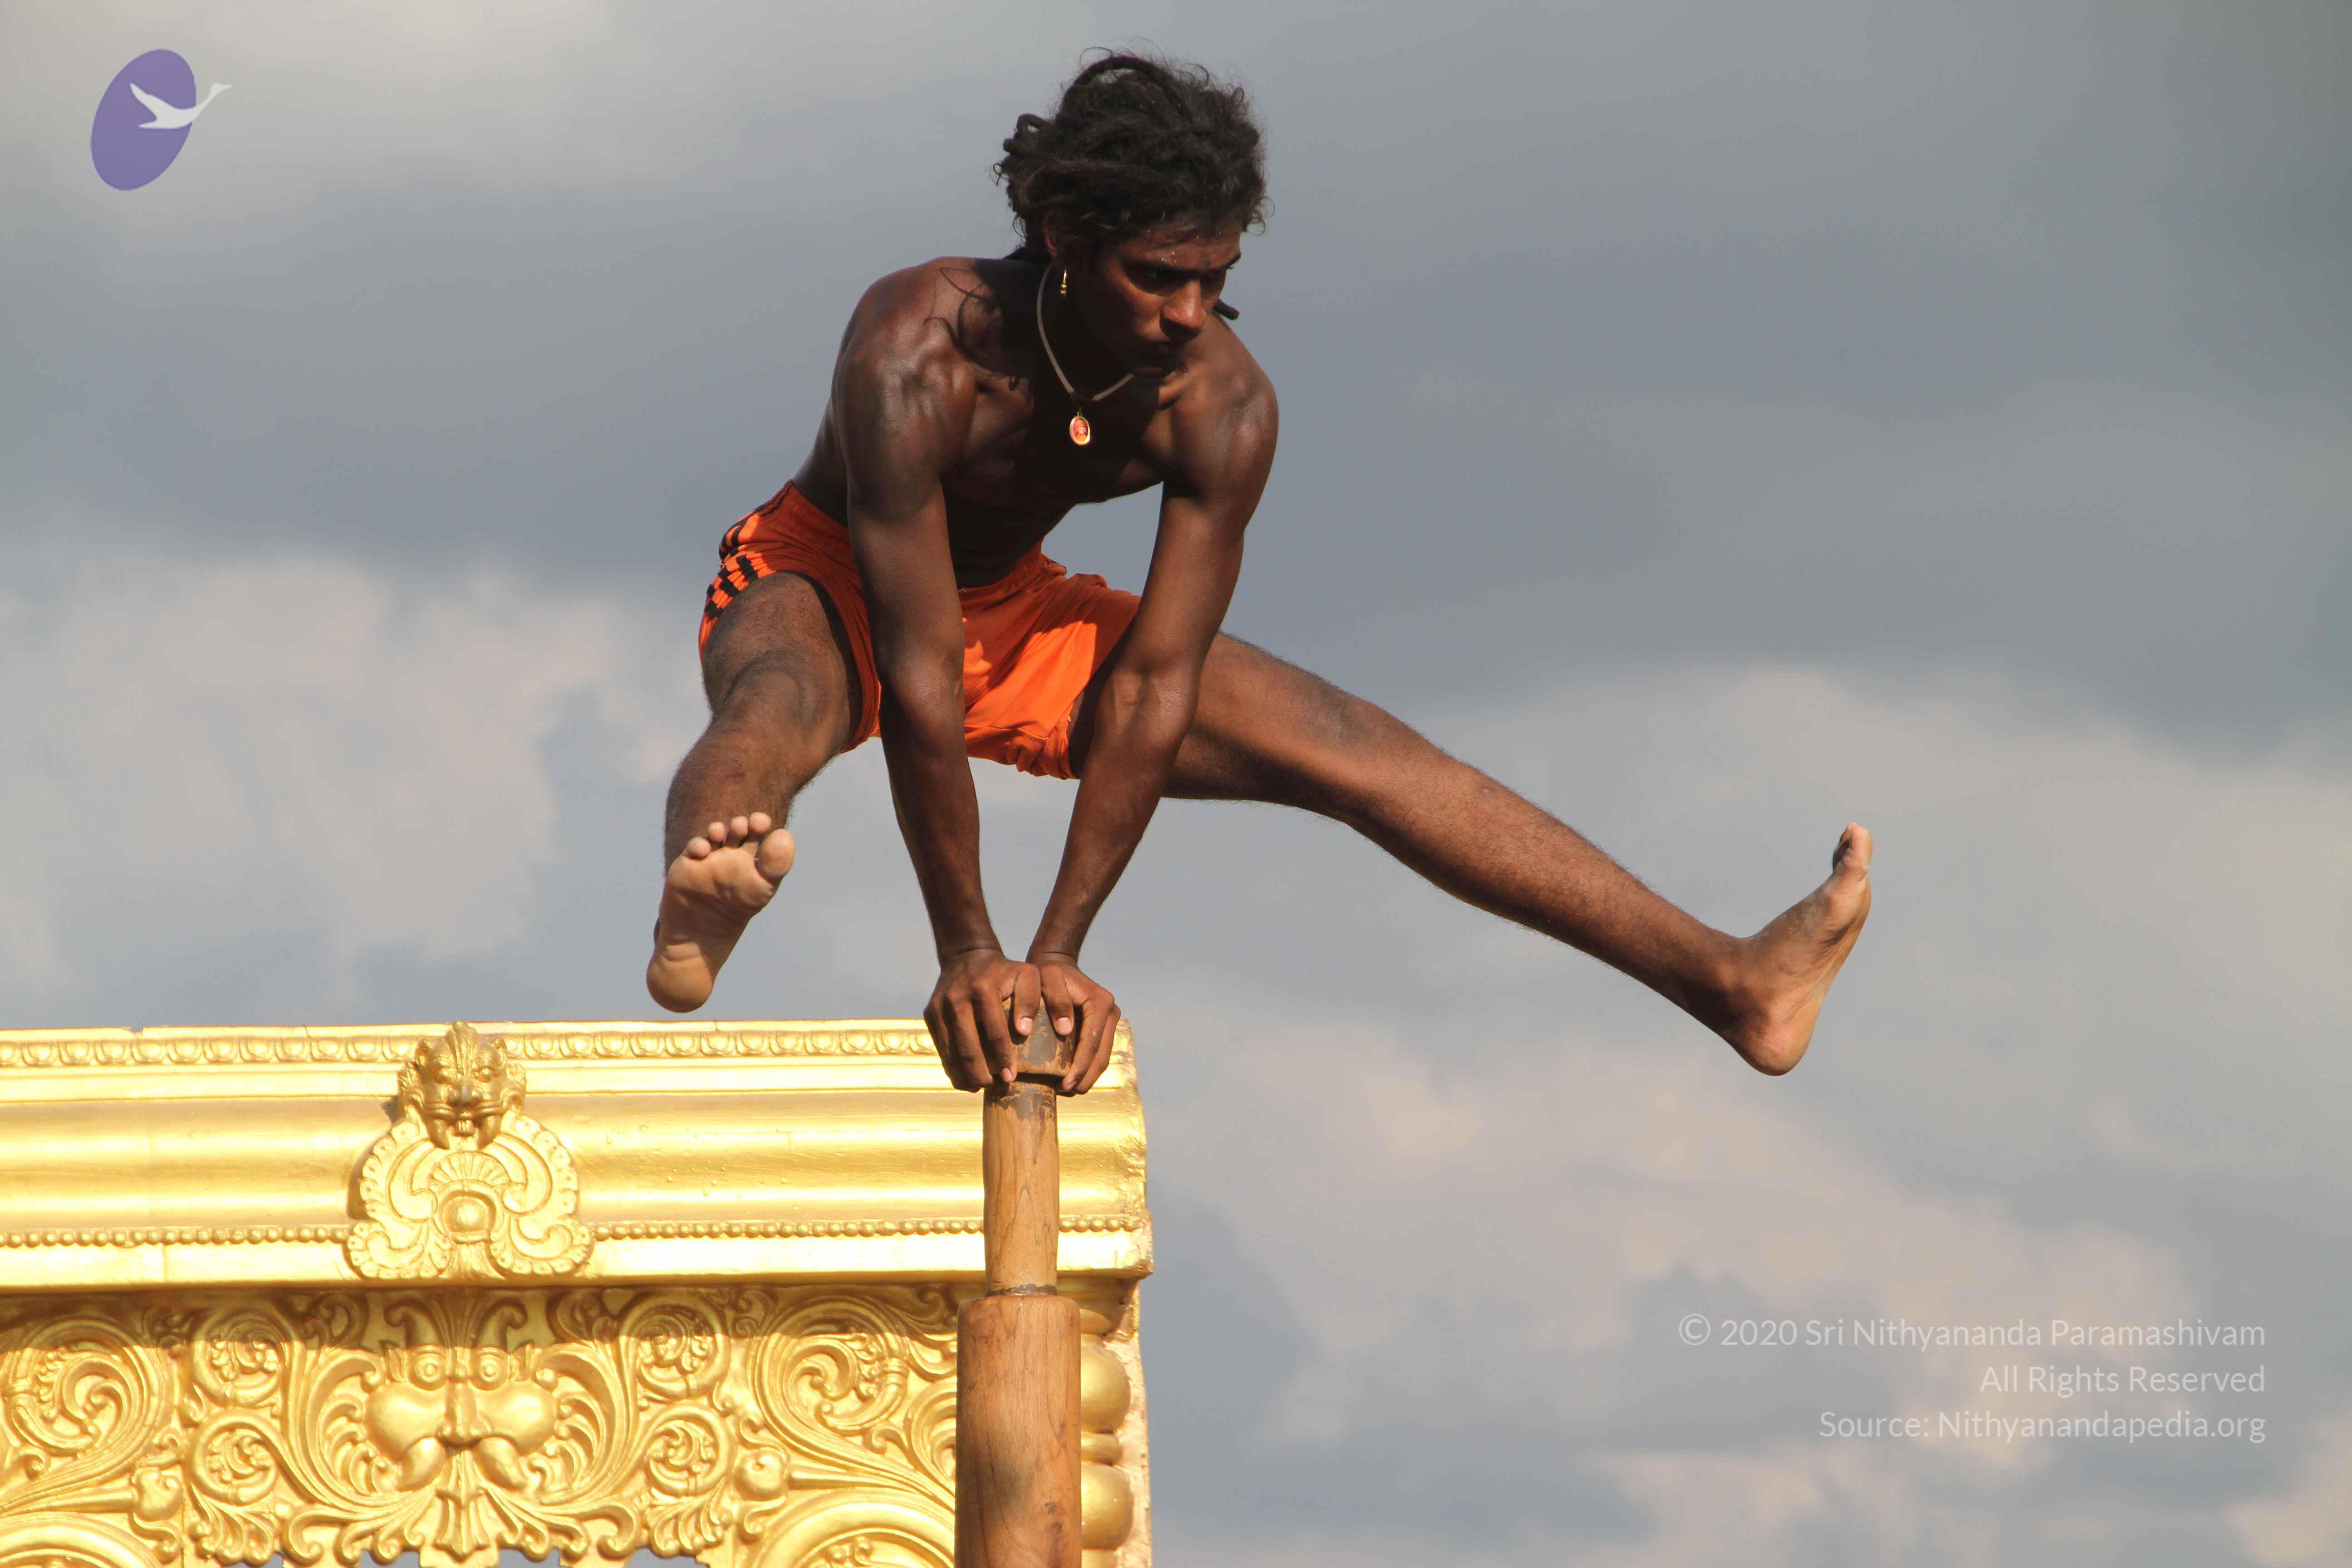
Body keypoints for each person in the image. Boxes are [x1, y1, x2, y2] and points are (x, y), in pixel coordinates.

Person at [646, 52, 1872, 1095]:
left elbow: (1154, 687)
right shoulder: (917, 349)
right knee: (781, 699)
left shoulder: (1222, 407)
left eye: (1216, 278)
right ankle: (709, 882)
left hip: (1019, 609)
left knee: (1353, 744)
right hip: (834, 576)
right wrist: (969, 952)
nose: (1191, 312)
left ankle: (1730, 982)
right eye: (1158, 275)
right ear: (1067, 240)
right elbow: (916, 669)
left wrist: (1057, 952)